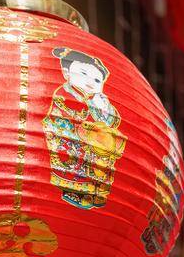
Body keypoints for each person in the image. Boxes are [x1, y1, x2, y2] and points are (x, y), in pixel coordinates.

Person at [44, 47, 126, 209]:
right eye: (83, 74)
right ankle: (74, 190)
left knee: (105, 152)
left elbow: (112, 122)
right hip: (69, 138)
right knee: (84, 157)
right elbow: (73, 116)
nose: (90, 82)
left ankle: (95, 192)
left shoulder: (96, 100)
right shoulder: (65, 93)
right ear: (67, 74)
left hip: (91, 141)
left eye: (97, 81)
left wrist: (103, 108)